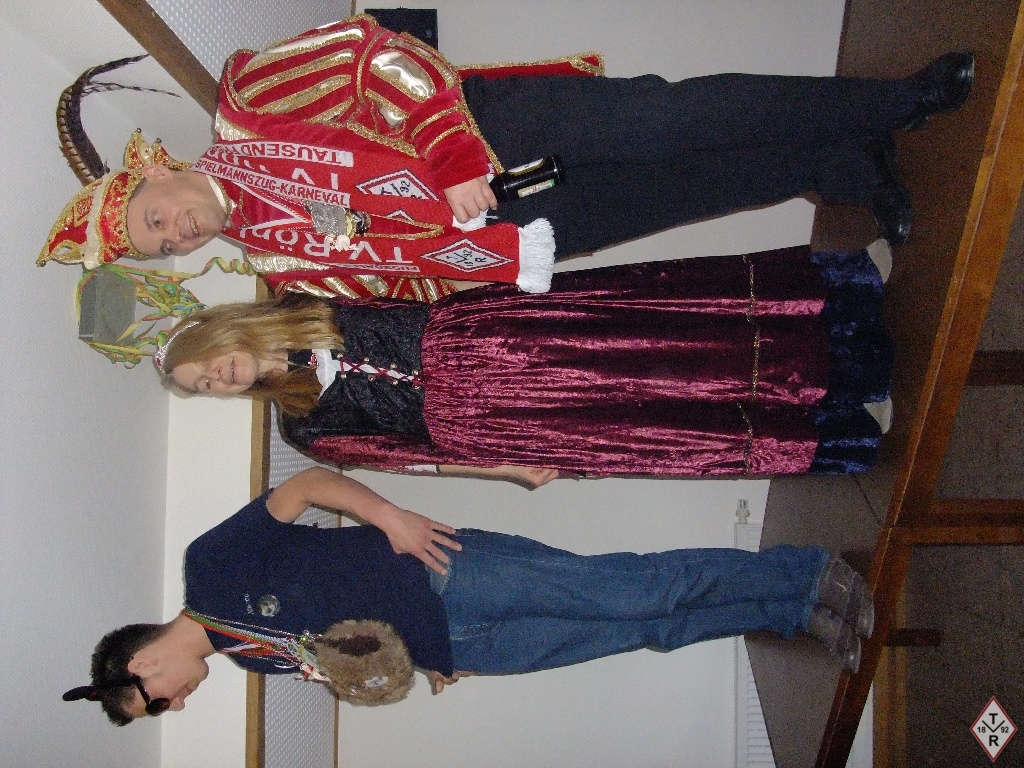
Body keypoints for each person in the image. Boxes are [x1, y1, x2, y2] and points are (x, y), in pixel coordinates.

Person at [39, 14, 974, 300]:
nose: (178, 233)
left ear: (154, 169)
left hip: (496, 130)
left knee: (694, 115)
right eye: (163, 247)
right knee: (697, 188)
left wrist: (450, 159)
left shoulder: (249, 101)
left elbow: (372, 55)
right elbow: (404, 282)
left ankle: (899, 100)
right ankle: (850, 168)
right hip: (519, 228)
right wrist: (473, 261)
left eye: (156, 217)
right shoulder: (284, 262)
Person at [63, 467, 874, 724]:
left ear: (142, 665)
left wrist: (388, 517)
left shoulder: (208, 569)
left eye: (156, 702)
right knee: (644, 631)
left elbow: (303, 485)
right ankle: (793, 613)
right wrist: (424, 664)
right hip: (464, 648)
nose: (174, 705)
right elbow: (351, 644)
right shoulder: (250, 658)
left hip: (450, 574)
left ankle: (807, 572)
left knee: (640, 589)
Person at [155, 242, 893, 483]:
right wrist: (505, 469)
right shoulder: (302, 429)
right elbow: (413, 461)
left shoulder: (303, 292)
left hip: (498, 335)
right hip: (500, 423)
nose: (216, 380)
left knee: (667, 339)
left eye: (204, 365)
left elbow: (400, 247)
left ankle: (842, 305)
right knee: (659, 420)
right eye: (205, 389)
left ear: (220, 333)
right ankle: (838, 415)